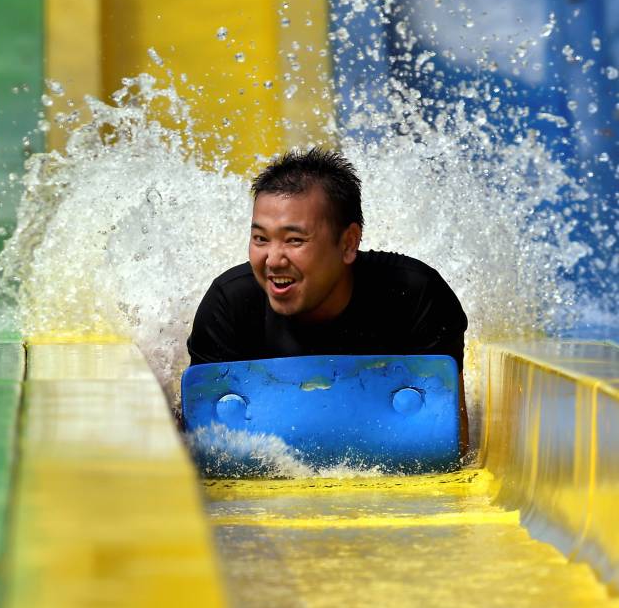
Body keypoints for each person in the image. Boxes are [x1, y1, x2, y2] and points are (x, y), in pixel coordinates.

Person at [187, 147, 469, 448]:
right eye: (260, 239)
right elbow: (205, 453)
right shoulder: (230, 305)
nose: (273, 260)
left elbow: (452, 444)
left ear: (348, 243)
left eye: (295, 240)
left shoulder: (414, 296)